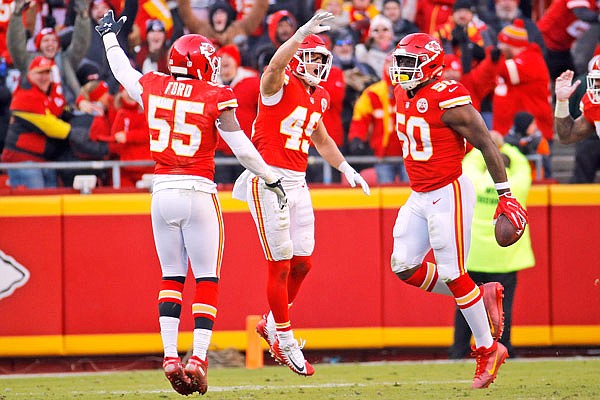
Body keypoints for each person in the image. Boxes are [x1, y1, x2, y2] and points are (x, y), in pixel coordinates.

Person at [95, 10, 287, 395]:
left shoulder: (154, 84)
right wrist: (271, 176)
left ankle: (169, 354)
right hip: (198, 191)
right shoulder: (215, 94)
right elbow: (242, 148)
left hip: (161, 192)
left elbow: (122, 72)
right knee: (207, 279)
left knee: (170, 276)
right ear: (202, 65)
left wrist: (108, 37)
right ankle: (197, 357)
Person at [232, 11, 370, 377]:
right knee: (279, 263)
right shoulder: (277, 84)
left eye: (322, 59)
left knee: (304, 262)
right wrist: (301, 33)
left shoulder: (319, 95)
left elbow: (320, 138)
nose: (317, 64)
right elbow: (274, 65)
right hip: (268, 179)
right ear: (296, 58)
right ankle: (285, 338)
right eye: (311, 56)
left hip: (298, 180)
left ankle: (272, 324)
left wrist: (346, 168)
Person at [387, 32, 528, 388]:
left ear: (431, 65)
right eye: (400, 61)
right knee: (403, 264)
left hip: (449, 190)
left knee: (452, 271)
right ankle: (480, 296)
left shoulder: (447, 95)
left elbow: (484, 141)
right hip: (419, 193)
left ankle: (488, 348)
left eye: (409, 63)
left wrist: (505, 195)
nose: (401, 69)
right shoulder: (403, 91)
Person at [449, 131, 535, 359]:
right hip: (505, 258)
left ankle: (458, 351)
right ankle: (505, 350)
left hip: (475, 254)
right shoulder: (517, 184)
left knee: (466, 306)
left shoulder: (474, 180)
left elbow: (472, 160)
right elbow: (522, 164)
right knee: (503, 311)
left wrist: (488, 143)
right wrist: (504, 146)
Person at [0, 56, 70, 189]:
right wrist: (78, 133)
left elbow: (56, 110)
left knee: (50, 206)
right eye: (39, 72)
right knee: (34, 207)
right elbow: (54, 128)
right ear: (30, 74)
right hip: (23, 161)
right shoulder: (25, 95)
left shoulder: (42, 95)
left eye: (47, 72)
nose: (44, 77)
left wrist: (56, 83)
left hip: (40, 160)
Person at [554, 66, 600, 147]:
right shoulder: (594, 104)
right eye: (596, 79)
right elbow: (567, 136)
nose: (597, 84)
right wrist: (562, 102)